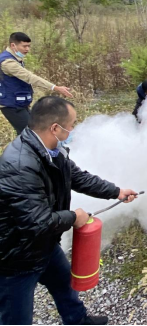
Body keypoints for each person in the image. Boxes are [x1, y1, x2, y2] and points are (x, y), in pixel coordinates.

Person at [0, 96, 138, 326]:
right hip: (17, 256)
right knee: (16, 318)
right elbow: (37, 223)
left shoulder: (54, 150)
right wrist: (74, 217)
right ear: (55, 128)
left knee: (65, 284)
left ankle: (78, 321)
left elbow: (79, 177)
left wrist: (116, 192)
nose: (73, 129)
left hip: (45, 245)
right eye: (72, 124)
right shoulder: (20, 165)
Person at [0, 32, 73, 135]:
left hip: (19, 103)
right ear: (13, 45)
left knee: (29, 133)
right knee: (31, 134)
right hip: (12, 106)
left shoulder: (14, 58)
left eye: (29, 46)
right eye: (24, 46)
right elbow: (30, 77)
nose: (27, 49)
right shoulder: (8, 62)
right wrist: (55, 87)